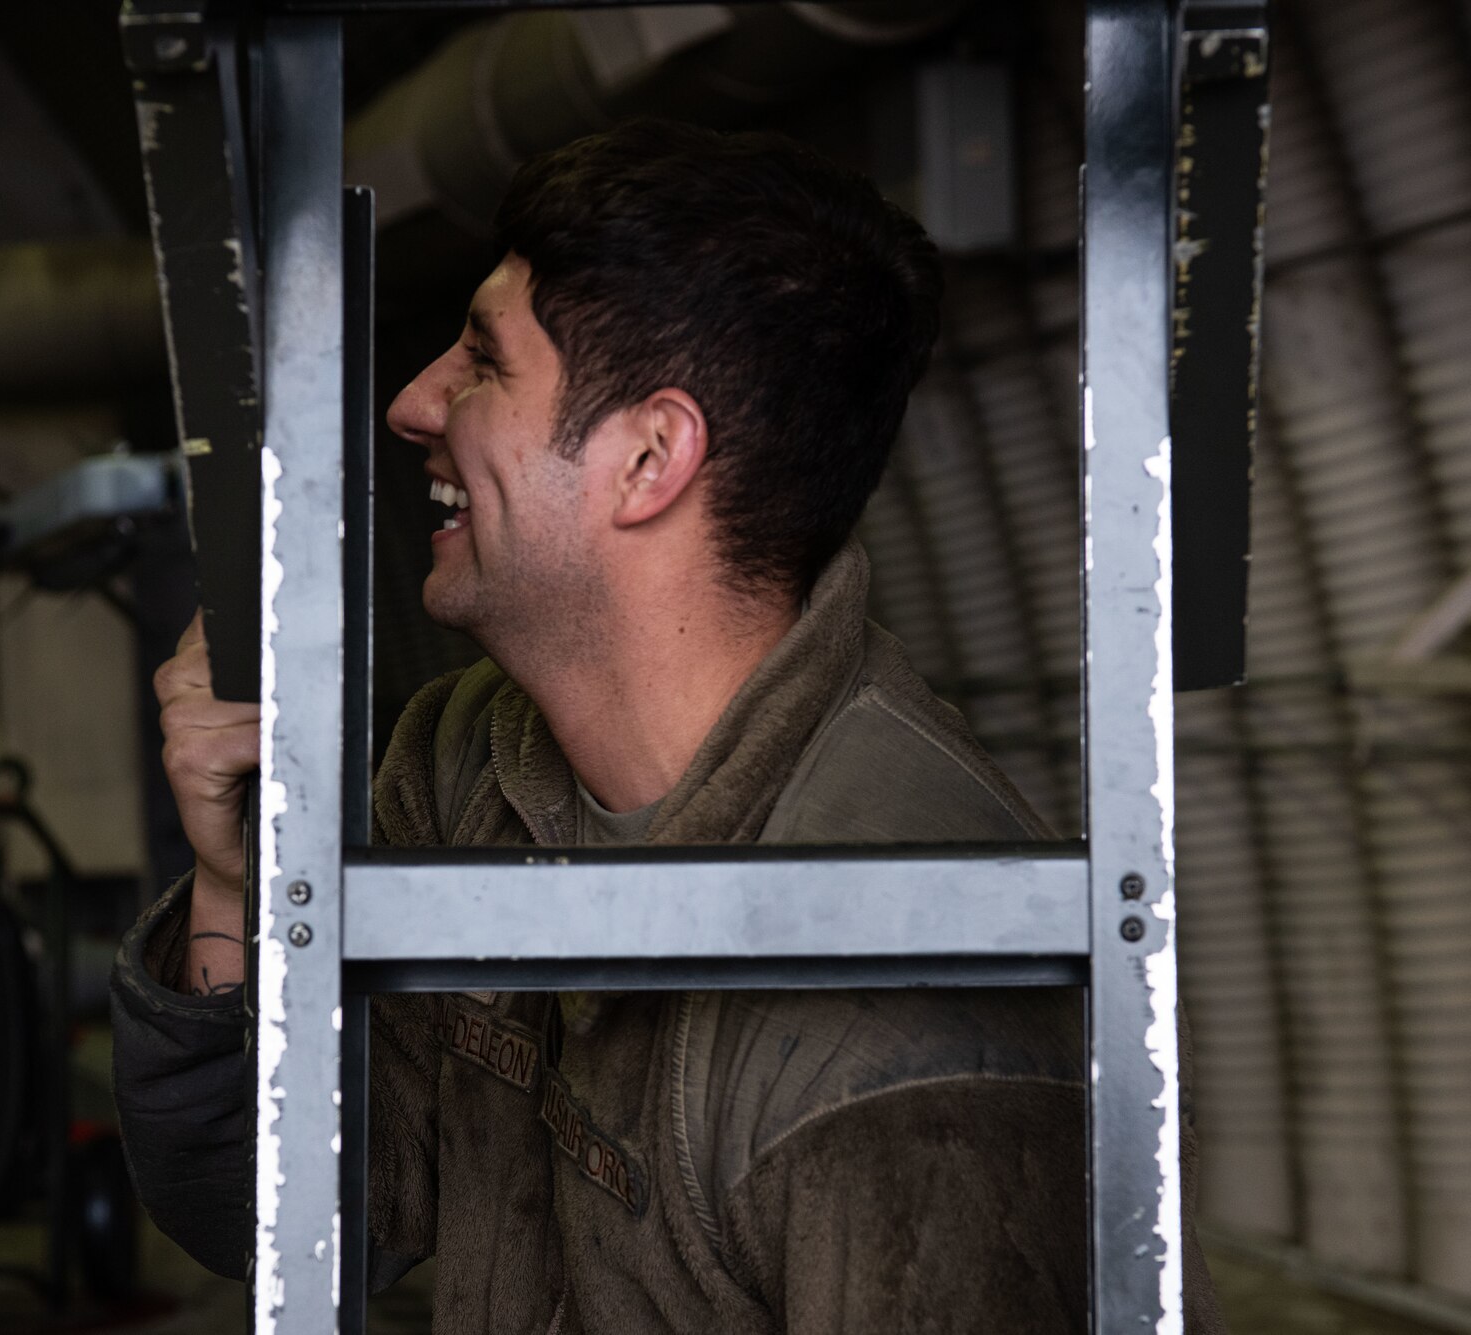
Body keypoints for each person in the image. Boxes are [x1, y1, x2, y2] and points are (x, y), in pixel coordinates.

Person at [113, 119, 1225, 1333]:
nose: (413, 401)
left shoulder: (909, 1021)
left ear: (649, 457)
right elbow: (282, 1218)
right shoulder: (468, 763)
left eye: (482, 361)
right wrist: (230, 889)